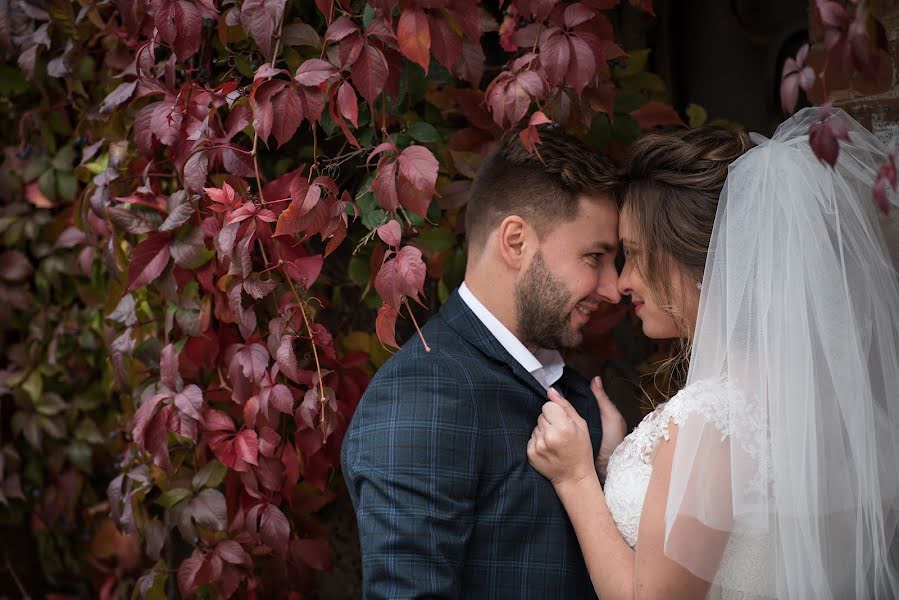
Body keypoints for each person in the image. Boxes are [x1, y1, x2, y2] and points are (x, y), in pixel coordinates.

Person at [528, 107, 899, 599]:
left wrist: (575, 479)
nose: (622, 283)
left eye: (635, 254)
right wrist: (618, 460)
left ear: (694, 257)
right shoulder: (812, 399)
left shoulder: (713, 420)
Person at [342, 126, 627, 598]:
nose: (612, 287)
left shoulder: (573, 390)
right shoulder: (422, 397)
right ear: (515, 242)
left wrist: (603, 470)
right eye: (594, 257)